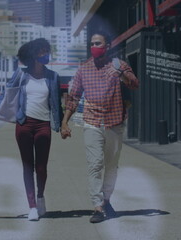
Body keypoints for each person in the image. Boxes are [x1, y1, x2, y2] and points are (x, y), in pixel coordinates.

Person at [61, 30, 139, 223]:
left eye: (98, 43)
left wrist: (121, 75)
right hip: (92, 123)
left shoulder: (118, 65)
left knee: (111, 166)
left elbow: (135, 84)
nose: (94, 47)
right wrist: (65, 122)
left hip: (114, 123)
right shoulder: (84, 69)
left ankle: (106, 200)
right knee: (95, 164)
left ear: (108, 46)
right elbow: (73, 97)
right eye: (92, 44)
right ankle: (97, 207)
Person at [0, 38, 63, 221]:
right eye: (42, 51)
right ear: (33, 55)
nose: (45, 54)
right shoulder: (21, 75)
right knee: (27, 166)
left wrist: (62, 124)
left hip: (43, 124)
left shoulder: (53, 76)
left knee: (41, 167)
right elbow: (6, 94)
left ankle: (40, 197)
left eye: (47, 51)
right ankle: (32, 207)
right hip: (24, 124)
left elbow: (56, 104)